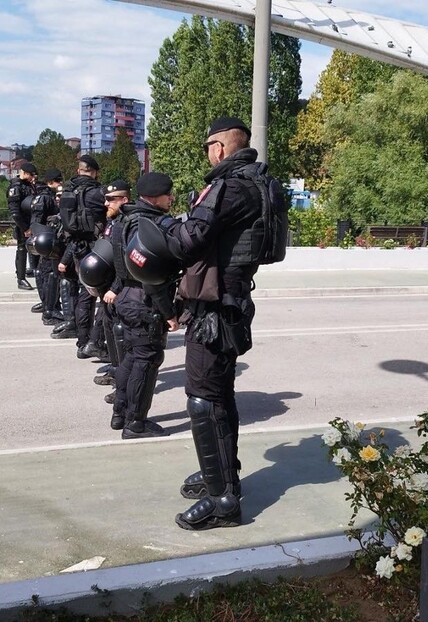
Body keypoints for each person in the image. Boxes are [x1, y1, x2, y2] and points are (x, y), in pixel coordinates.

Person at [159, 117, 268, 530]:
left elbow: (188, 240)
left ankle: (223, 500)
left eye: (209, 145)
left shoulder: (229, 187)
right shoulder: (257, 183)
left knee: (204, 399)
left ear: (220, 148)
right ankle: (223, 475)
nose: (208, 153)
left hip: (214, 309)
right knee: (220, 395)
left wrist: (164, 229)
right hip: (230, 302)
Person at [110, 173, 179, 440]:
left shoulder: (124, 220)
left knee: (130, 357)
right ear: (153, 197)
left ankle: (120, 413)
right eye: (167, 194)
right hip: (144, 300)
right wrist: (169, 313)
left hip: (126, 296)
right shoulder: (151, 225)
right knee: (147, 360)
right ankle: (135, 422)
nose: (171, 198)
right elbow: (151, 277)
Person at [51, 154, 106, 351]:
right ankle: (95, 342)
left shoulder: (68, 191)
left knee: (84, 294)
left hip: (75, 248)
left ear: (78, 171)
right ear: (95, 172)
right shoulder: (97, 193)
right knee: (102, 296)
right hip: (97, 248)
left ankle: (82, 341)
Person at [93, 179, 131, 390]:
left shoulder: (127, 225)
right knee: (110, 330)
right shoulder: (113, 223)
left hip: (118, 290)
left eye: (110, 199)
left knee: (121, 336)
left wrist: (115, 288)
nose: (106, 203)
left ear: (124, 200)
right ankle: (116, 370)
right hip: (106, 289)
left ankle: (123, 384)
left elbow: (123, 264)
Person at [32, 168, 68, 326]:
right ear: (51, 182)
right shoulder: (45, 198)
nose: (60, 184)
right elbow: (38, 222)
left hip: (46, 240)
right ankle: (49, 310)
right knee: (50, 274)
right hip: (48, 240)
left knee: (47, 273)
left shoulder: (41, 196)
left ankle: (50, 306)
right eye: (58, 181)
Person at [6, 162, 38, 291]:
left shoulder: (28, 185)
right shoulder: (16, 187)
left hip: (31, 222)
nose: (33, 177)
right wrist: (25, 228)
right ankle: (21, 278)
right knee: (22, 249)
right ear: (23, 173)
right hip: (23, 224)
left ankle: (31, 270)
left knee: (33, 248)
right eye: (31, 175)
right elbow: (15, 212)